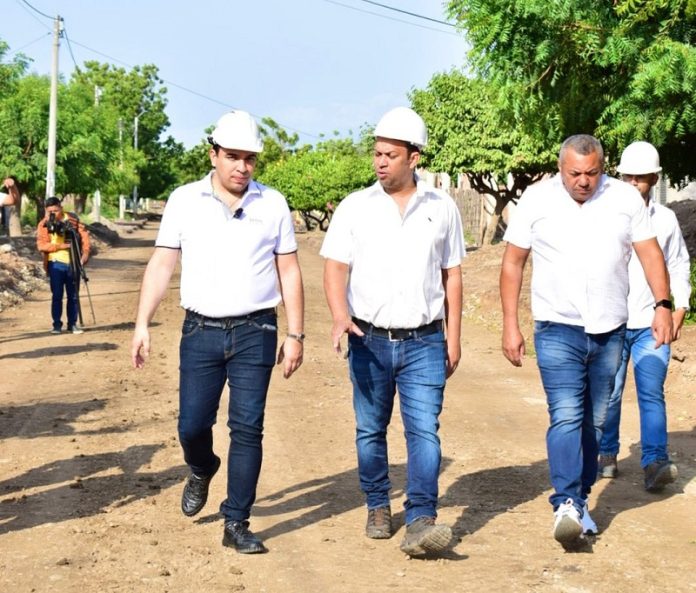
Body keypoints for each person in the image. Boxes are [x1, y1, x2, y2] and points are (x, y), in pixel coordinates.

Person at [130, 110, 304, 554]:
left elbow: (289, 268)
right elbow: (163, 263)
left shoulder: (274, 204)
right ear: (213, 154)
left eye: (249, 158)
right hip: (200, 331)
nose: (241, 167)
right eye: (232, 156)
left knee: (247, 428)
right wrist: (142, 323)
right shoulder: (184, 201)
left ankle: (237, 521)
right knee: (192, 425)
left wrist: (296, 333)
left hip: (256, 329)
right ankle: (202, 466)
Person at [500, 134, 673, 550]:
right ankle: (565, 502)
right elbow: (512, 262)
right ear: (561, 168)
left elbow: (650, 254)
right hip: (557, 326)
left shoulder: (624, 200)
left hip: (610, 326)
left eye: (592, 173)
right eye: (575, 173)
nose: (583, 181)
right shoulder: (537, 200)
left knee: (594, 420)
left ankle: (578, 501)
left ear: (603, 167)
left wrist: (663, 305)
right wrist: (510, 324)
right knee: (565, 414)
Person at [321, 107, 465, 557]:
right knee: (370, 429)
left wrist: (454, 335)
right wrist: (339, 314)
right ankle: (378, 504)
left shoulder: (442, 209)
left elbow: (453, 274)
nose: (381, 162)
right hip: (368, 339)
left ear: (414, 157)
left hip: (425, 339)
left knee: (424, 430)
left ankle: (422, 516)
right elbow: (334, 267)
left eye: (391, 155)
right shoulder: (355, 207)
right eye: (377, 154)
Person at [598, 141, 691, 491]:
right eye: (629, 176)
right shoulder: (605, 216)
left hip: (653, 321)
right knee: (609, 391)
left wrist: (678, 307)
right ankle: (606, 453)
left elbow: (679, 265)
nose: (634, 182)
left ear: (654, 178)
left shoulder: (665, 220)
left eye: (641, 177)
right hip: (611, 323)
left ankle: (654, 461)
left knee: (652, 392)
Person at [36, 196, 91, 334]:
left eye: (55, 210)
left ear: (61, 207)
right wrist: (59, 246)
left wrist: (85, 254)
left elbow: (84, 237)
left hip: (73, 263)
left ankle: (72, 324)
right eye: (50, 211)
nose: (53, 213)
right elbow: (41, 245)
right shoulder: (43, 224)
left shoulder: (73, 220)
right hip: (55, 264)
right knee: (57, 295)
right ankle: (56, 325)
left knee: (73, 295)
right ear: (46, 211)